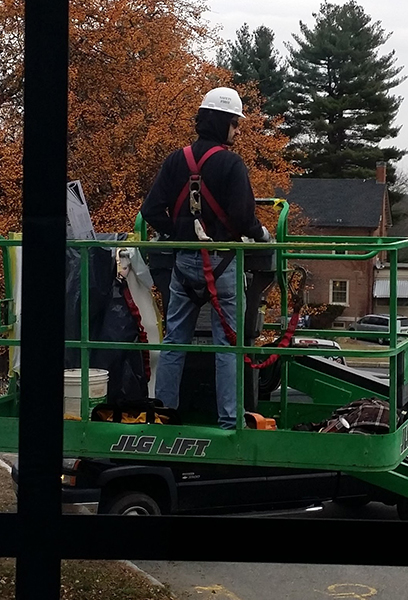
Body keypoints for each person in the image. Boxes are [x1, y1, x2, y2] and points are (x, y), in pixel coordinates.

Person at [140, 87, 270, 429]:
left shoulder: (175, 160)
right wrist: (263, 236)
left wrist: (178, 231)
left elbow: (151, 210)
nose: (238, 132)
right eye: (236, 125)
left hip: (183, 265)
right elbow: (243, 219)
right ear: (223, 122)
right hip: (223, 264)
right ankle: (229, 421)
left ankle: (164, 415)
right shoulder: (231, 164)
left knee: (174, 342)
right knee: (227, 346)